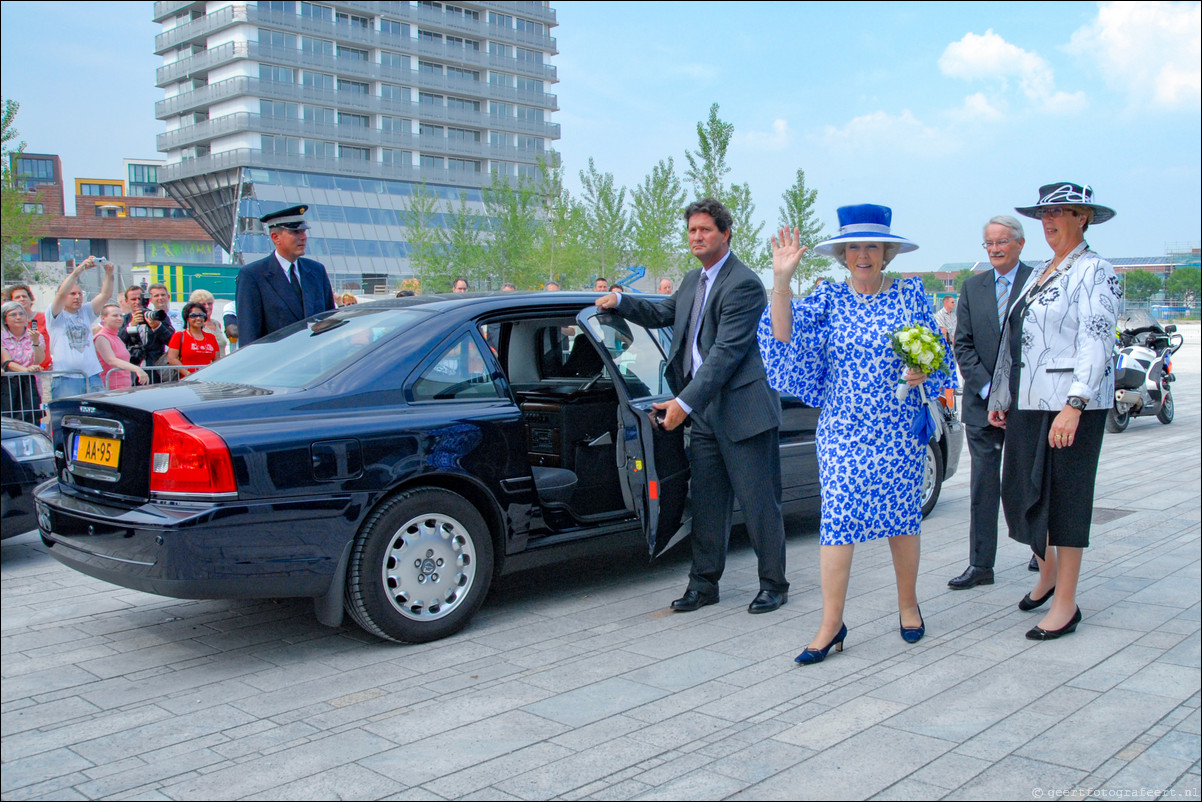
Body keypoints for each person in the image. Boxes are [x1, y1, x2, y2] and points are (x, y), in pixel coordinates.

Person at [761, 204, 953, 664]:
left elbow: (937, 355)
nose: (862, 254)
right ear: (843, 254)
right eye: (853, 247)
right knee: (838, 521)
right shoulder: (829, 297)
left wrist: (921, 371)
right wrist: (782, 281)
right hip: (844, 429)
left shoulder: (910, 295)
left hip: (897, 428)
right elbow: (781, 336)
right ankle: (832, 624)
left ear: (886, 252)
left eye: (871, 246)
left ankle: (908, 604)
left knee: (903, 518)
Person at [596, 197, 789, 615]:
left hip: (744, 414)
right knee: (707, 503)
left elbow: (725, 355)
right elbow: (664, 311)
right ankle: (704, 585)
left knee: (759, 506)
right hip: (706, 413)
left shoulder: (743, 284)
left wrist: (682, 403)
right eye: (691, 231)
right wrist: (621, 301)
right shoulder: (691, 281)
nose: (696, 237)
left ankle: (774, 584)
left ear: (726, 233)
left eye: (705, 230)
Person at [988, 182, 1120, 641]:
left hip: (1070, 404)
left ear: (1082, 217)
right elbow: (1017, 338)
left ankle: (1066, 602)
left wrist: (1075, 404)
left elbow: (1097, 337)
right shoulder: (1043, 269)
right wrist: (1003, 397)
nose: (1049, 221)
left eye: (1060, 212)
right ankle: (1046, 574)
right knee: (1019, 491)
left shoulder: (1096, 270)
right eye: (1044, 214)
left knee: (1065, 499)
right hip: (1029, 400)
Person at [947, 216, 1033, 590]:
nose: (995, 249)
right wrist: (987, 391)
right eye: (989, 243)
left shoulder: (1039, 283)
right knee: (983, 487)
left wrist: (1013, 395)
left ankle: (1040, 552)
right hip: (982, 407)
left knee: (1030, 481)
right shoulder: (972, 287)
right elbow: (962, 345)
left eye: (1001, 242)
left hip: (1028, 405)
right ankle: (981, 565)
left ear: (1019, 244)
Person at [235, 205, 335, 347]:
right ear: (275, 237)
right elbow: (249, 334)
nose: (303, 237)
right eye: (295, 232)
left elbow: (329, 322)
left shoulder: (316, 271)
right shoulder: (253, 276)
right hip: (277, 363)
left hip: (316, 362)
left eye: (304, 231)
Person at [48, 256, 114, 398]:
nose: (77, 297)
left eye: (79, 293)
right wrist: (79, 270)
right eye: (72, 294)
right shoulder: (55, 314)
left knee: (97, 418)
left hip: (92, 376)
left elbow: (105, 295)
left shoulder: (86, 311)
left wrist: (109, 273)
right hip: (66, 378)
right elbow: (61, 293)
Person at [1, 300, 45, 424]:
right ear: (5, 320)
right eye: (13, 315)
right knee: (10, 421)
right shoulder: (2, 337)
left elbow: (39, 360)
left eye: (21, 314)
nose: (18, 317)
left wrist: (35, 342)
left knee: (32, 420)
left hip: (32, 385)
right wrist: (26, 370)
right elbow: (6, 362)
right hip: (9, 386)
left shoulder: (36, 335)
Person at [121, 285, 174, 382]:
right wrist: (132, 325)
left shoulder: (157, 316)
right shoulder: (123, 320)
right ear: (126, 301)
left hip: (155, 368)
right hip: (132, 368)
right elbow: (119, 341)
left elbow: (172, 340)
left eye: (140, 298)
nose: (137, 302)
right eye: (133, 299)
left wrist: (157, 326)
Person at [94, 303, 149, 389]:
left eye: (121, 315)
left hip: (124, 386)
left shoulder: (116, 337)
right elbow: (111, 360)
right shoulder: (101, 337)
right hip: (110, 387)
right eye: (115, 316)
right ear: (103, 318)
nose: (119, 318)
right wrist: (137, 369)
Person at [4, 284, 53, 370]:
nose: (22, 299)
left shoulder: (44, 318)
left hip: (43, 370)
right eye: (17, 297)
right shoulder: (4, 333)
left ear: (31, 299)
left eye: (24, 296)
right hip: (15, 375)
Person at [167, 302, 222, 377]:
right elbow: (172, 358)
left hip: (207, 381)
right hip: (186, 381)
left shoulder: (211, 337)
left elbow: (216, 361)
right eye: (194, 316)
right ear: (187, 318)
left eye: (201, 315)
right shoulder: (179, 336)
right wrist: (188, 374)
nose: (198, 318)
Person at [188, 289, 230, 354]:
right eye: (203, 304)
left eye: (209, 304)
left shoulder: (216, 324)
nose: (207, 307)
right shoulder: (194, 325)